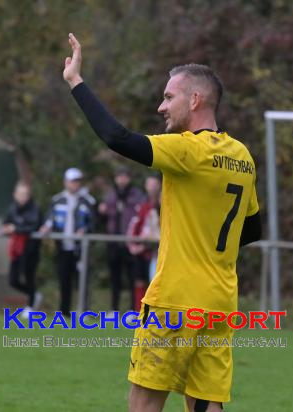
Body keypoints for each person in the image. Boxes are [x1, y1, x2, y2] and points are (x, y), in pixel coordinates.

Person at [63, 34, 262, 412]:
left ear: (195, 100)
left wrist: (76, 81)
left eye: (169, 97)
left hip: (175, 300)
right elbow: (252, 230)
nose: (161, 106)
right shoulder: (242, 156)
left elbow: (117, 138)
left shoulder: (189, 150)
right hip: (219, 301)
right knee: (206, 405)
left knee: (144, 403)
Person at [40, 168, 95, 317]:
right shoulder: (57, 200)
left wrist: (85, 230)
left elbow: (93, 223)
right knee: (64, 280)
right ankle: (64, 312)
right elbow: (50, 219)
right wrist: (46, 227)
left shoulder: (87, 201)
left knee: (82, 280)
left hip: (80, 248)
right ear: (65, 182)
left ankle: (84, 311)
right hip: (62, 247)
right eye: (72, 181)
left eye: (77, 181)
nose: (75, 184)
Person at [99, 166, 145, 315]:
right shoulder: (110, 196)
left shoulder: (137, 195)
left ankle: (133, 310)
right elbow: (102, 219)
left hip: (130, 243)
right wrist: (101, 212)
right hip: (113, 243)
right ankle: (114, 309)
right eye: (119, 176)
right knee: (115, 279)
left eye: (124, 176)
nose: (122, 179)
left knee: (133, 278)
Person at [3, 181, 44, 318]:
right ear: (15, 195)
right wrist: (6, 228)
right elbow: (6, 221)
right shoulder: (12, 208)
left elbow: (33, 226)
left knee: (29, 277)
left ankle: (30, 305)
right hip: (17, 249)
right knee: (13, 280)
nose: (23, 197)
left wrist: (16, 228)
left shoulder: (34, 208)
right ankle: (34, 295)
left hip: (30, 249)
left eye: (25, 194)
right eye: (20, 194)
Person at [127, 175, 162, 312]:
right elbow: (134, 225)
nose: (152, 187)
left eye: (154, 184)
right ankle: (139, 311)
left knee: (156, 283)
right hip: (144, 250)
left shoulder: (165, 205)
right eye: (149, 184)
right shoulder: (142, 205)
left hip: (161, 250)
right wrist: (134, 245)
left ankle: (157, 312)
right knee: (140, 281)